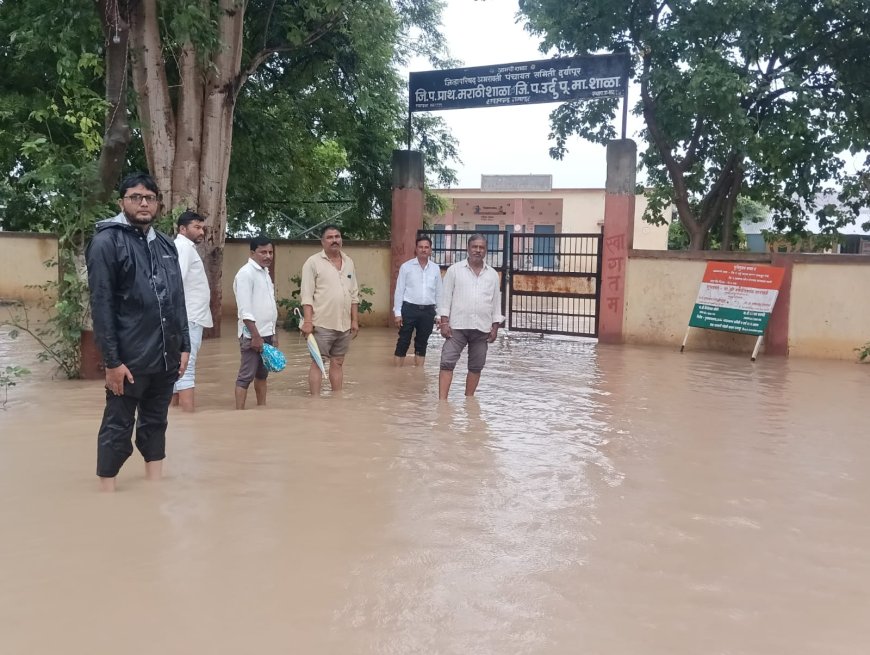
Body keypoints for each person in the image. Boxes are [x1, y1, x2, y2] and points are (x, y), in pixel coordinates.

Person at [86, 172, 190, 492]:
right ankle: (107, 493)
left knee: (156, 423)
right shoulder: (107, 241)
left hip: (165, 354)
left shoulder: (166, 245)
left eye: (150, 198)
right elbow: (101, 305)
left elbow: (176, 298)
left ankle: (153, 488)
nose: (143, 203)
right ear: (122, 202)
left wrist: (184, 345)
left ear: (158, 204)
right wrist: (112, 361)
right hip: (128, 359)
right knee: (117, 426)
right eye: (136, 197)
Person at [437, 234, 503, 399]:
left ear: (485, 250)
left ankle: (469, 400)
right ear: (468, 248)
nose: (478, 251)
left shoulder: (493, 275)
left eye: (481, 248)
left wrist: (495, 328)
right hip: (456, 327)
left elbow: (496, 303)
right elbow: (445, 298)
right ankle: (442, 402)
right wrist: (444, 323)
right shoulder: (454, 270)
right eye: (475, 247)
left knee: (476, 366)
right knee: (447, 362)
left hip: (482, 328)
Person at [299, 225, 359, 395]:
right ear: (322, 241)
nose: (335, 240)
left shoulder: (349, 262)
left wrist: (354, 320)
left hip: (345, 324)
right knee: (319, 362)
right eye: (330, 237)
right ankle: (315, 401)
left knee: (338, 362)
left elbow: (354, 293)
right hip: (322, 323)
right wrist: (308, 322)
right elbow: (307, 295)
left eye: (337, 236)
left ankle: (337, 400)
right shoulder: (313, 262)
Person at [171, 211, 212, 412]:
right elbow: (175, 283)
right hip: (189, 318)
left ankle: (174, 415)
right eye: (196, 227)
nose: (201, 231)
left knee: (178, 369)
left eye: (202, 227)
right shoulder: (183, 248)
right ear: (182, 229)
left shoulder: (184, 248)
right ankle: (188, 416)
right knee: (186, 368)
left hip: (190, 317)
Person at [232, 235, 279, 410]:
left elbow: (268, 306)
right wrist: (256, 336)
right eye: (263, 252)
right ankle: (240, 413)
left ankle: (262, 409)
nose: (268, 256)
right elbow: (245, 310)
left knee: (262, 375)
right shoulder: (246, 274)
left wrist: (273, 335)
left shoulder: (264, 272)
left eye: (270, 252)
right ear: (252, 253)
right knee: (246, 376)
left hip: (267, 334)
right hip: (252, 336)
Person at [392, 235, 442, 366]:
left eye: (426, 247)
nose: (423, 250)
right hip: (409, 309)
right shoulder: (406, 267)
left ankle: (419, 372)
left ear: (430, 250)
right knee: (403, 340)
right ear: (416, 249)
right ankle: (397, 372)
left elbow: (439, 293)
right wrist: (397, 313)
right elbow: (399, 290)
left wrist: (439, 314)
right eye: (421, 247)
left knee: (422, 342)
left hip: (428, 311)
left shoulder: (435, 269)